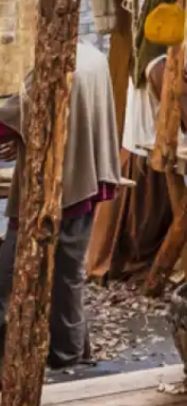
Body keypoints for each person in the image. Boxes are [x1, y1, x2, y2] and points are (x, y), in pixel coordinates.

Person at [0, 42, 120, 368]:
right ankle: (69, 351)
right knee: (69, 273)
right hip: (85, 178)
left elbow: (15, 114)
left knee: (8, 274)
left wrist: (13, 131)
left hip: (60, 189)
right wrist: (20, 135)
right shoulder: (92, 55)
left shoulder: (56, 64)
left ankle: (44, 356)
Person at [86, 0, 187, 284]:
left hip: (140, 143)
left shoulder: (150, 56)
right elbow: (171, 86)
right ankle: (143, 265)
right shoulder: (157, 58)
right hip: (147, 146)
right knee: (145, 220)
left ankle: (150, 260)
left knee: (150, 215)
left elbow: (171, 83)